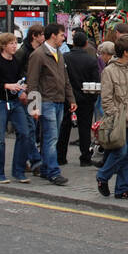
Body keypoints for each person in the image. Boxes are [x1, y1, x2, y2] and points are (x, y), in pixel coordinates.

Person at [25, 22, 76, 185]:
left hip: (59, 100)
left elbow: (65, 79)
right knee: (51, 137)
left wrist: (71, 99)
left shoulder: (59, 54)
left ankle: (46, 168)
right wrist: (34, 106)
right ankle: (54, 171)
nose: (64, 37)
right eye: (62, 35)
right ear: (53, 35)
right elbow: (32, 82)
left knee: (49, 137)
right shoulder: (38, 55)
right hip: (46, 101)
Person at [97, 34, 128, 198]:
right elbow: (106, 99)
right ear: (124, 52)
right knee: (120, 152)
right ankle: (102, 176)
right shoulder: (109, 71)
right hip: (118, 120)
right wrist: (117, 116)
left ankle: (122, 189)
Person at [0, 32, 34, 183]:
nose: (14, 46)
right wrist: (6, 85)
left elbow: (19, 78)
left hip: (15, 101)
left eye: (15, 43)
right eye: (11, 43)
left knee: (24, 133)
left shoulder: (16, 61)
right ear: (3, 46)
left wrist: (22, 87)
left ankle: (18, 170)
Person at [59, 29, 100, 167]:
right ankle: (85, 157)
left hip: (67, 98)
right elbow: (96, 81)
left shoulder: (64, 57)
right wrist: (93, 98)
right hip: (85, 98)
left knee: (65, 127)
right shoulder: (91, 60)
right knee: (84, 128)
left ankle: (61, 156)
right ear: (86, 44)